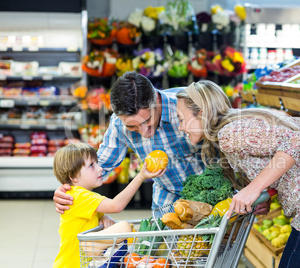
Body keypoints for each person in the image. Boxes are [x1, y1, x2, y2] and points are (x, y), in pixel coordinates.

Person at [175, 80, 300, 268]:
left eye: (182, 119)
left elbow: (297, 139)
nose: (180, 128)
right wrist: (274, 185)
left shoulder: (229, 134)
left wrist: (253, 188)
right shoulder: (243, 121)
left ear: (201, 113)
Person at [53, 72, 271, 217]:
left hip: (214, 202)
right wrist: (70, 191)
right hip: (167, 204)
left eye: (147, 121)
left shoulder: (187, 105)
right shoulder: (118, 126)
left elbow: (233, 150)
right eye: (132, 128)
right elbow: (100, 166)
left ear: (156, 101)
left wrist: (254, 190)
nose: (144, 134)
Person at [52, 142, 164, 268]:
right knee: (124, 226)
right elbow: (115, 206)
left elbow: (88, 218)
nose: (100, 168)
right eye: (91, 165)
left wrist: (103, 217)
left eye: (97, 163)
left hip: (82, 263)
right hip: (72, 264)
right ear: (72, 176)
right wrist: (141, 177)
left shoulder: (82, 195)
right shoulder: (78, 195)